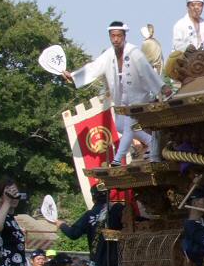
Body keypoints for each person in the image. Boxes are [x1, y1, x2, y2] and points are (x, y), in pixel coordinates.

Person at [62, 21, 173, 166]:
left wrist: (162, 87)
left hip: (138, 97)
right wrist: (73, 76)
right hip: (120, 98)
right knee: (120, 126)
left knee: (130, 126)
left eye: (119, 36)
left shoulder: (134, 52)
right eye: (113, 36)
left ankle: (130, 154)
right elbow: (93, 68)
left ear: (124, 36)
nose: (116, 39)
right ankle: (150, 141)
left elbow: (147, 71)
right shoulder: (108, 55)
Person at [53, 185, 124, 266]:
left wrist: (61, 225)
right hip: (124, 260)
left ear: (93, 197)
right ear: (109, 195)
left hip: (103, 263)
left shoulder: (90, 215)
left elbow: (73, 234)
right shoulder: (118, 209)